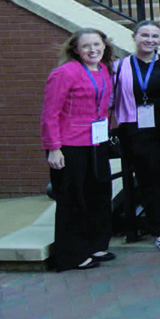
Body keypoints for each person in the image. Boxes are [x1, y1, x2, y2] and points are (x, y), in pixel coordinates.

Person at [41, 28, 116, 271]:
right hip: (70, 145)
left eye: (97, 44)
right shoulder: (64, 73)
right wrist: (54, 148)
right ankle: (72, 255)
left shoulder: (103, 69)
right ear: (76, 49)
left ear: (104, 46)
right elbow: (50, 113)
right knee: (73, 200)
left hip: (96, 142)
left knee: (98, 195)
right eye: (86, 46)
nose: (93, 49)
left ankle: (95, 245)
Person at [112, 21, 160, 252]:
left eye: (155, 36)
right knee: (150, 177)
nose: (150, 40)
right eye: (144, 35)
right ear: (134, 37)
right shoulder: (120, 67)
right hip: (138, 131)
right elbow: (109, 100)